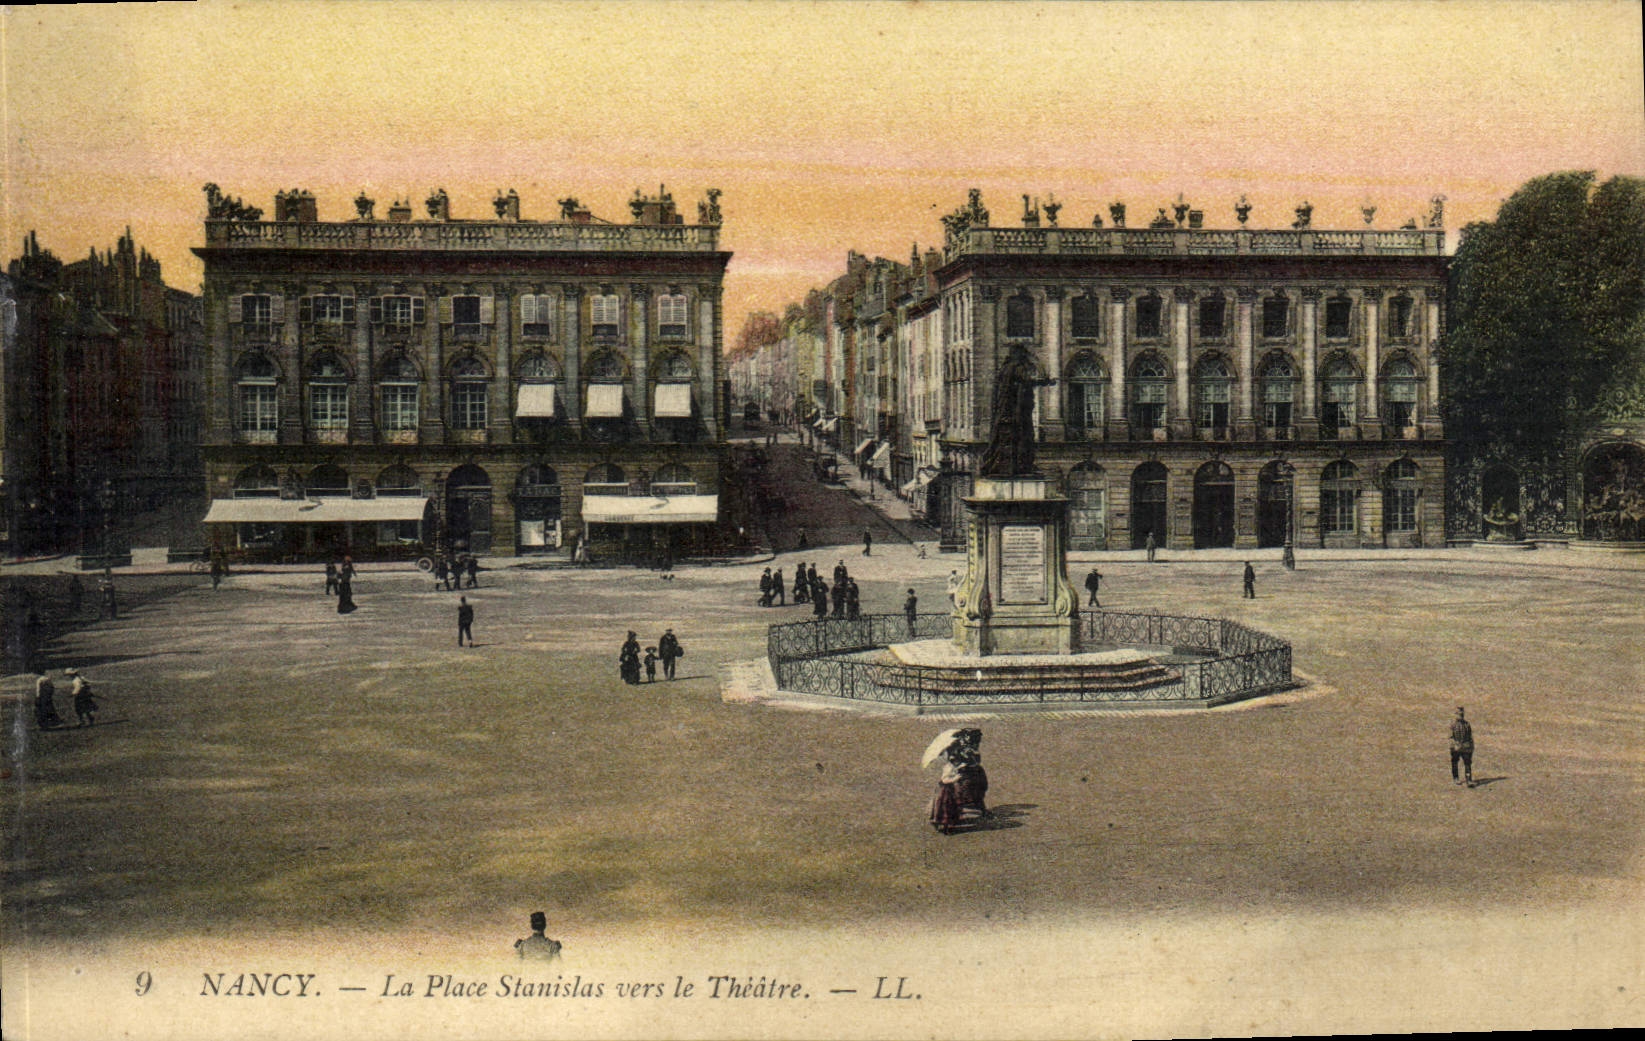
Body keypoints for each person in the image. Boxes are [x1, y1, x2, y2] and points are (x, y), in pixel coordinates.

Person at [953, 729, 990, 818]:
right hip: (966, 772)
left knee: (976, 790)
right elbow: (955, 760)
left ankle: (979, 808)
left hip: (973, 772)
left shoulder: (971, 749)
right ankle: (962, 809)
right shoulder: (961, 748)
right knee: (965, 790)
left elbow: (976, 760)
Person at [929, 748, 963, 836]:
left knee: (950, 806)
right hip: (945, 789)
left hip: (950, 789)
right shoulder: (949, 768)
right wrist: (955, 778)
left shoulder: (952, 766)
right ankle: (946, 827)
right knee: (946, 806)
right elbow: (945, 780)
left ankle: (947, 824)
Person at [1450, 706, 1476, 787]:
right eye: (1458, 714)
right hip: (1456, 747)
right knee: (1455, 762)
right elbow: (1450, 737)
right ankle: (1456, 778)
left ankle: (1468, 779)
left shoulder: (1467, 724)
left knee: (1467, 763)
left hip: (1466, 746)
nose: (1460, 716)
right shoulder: (1453, 725)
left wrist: (1471, 746)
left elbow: (1470, 736)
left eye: (1462, 714)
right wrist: (1454, 745)